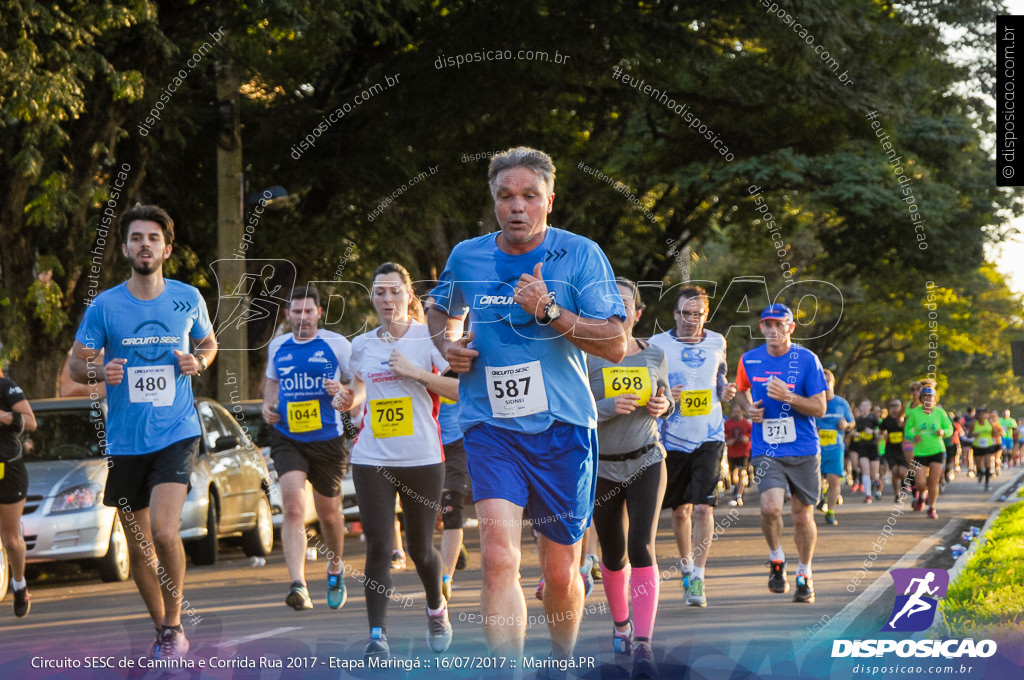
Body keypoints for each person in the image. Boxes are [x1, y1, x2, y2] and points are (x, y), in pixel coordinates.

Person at [427, 146, 627, 660]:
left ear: (549, 201)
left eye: (529, 196)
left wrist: (549, 310)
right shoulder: (466, 255)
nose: (517, 206)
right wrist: (445, 345)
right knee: (497, 557)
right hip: (490, 426)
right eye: (505, 196)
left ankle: (561, 663)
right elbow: (438, 309)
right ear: (493, 201)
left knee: (559, 574)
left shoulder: (580, 254)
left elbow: (615, 343)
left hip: (563, 428)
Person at [69, 204, 217, 659]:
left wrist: (201, 361)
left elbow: (208, 344)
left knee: (165, 531)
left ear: (167, 248)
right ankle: (164, 630)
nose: (145, 245)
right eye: (136, 238)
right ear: (126, 248)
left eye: (153, 238)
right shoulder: (105, 305)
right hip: (126, 440)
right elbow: (76, 364)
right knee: (139, 550)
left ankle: (174, 624)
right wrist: (99, 371)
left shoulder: (188, 297)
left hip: (177, 430)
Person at [334, 262, 459, 660]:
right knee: (379, 546)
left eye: (394, 291)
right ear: (372, 297)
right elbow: (358, 392)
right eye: (379, 292)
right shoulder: (362, 345)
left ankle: (436, 609)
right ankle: (378, 636)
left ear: (409, 296)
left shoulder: (430, 339)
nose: (387, 299)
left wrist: (417, 372)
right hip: (372, 457)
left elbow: (457, 391)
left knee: (421, 549)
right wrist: (345, 398)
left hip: (422, 457)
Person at [588, 278, 671, 678]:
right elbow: (573, 408)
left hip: (646, 459)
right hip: (602, 464)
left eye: (624, 304)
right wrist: (607, 406)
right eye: (609, 303)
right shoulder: (585, 356)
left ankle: (643, 642)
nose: (617, 310)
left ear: (637, 314)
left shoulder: (654, 354)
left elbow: (668, 396)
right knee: (613, 551)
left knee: (642, 546)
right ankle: (621, 625)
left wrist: (663, 403)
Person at [262, 286, 352, 611]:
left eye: (308, 311)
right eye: (296, 312)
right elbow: (272, 382)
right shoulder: (278, 345)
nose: (303, 318)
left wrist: (342, 390)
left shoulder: (337, 344)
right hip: (288, 436)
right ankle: (298, 584)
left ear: (319, 313)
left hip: (328, 438)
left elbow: (357, 384)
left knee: (328, 515)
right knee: (293, 508)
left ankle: (335, 566)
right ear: (288, 315)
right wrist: (267, 406)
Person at [733, 304, 827, 604]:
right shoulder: (749, 359)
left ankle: (804, 572)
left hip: (803, 448)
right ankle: (776, 559)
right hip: (766, 448)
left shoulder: (807, 360)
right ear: (761, 328)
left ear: (790, 327)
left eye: (779, 324)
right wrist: (749, 408)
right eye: (767, 325)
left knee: (802, 516)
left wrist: (789, 397)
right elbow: (740, 389)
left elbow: (820, 407)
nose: (772, 330)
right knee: (770, 508)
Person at [649, 285, 736, 607]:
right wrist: (663, 392)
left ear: (705, 315)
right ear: (675, 314)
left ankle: (699, 576)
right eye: (685, 313)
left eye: (697, 314)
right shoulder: (657, 344)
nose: (690, 320)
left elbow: (721, 376)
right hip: (672, 437)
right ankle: (686, 567)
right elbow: (647, 382)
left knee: (703, 507)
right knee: (681, 510)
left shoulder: (717, 341)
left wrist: (725, 390)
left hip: (710, 434)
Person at [0, 368, 37, 617]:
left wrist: (3, 416)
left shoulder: (6, 387)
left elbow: (30, 422)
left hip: (7, 468)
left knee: (11, 539)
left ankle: (19, 584)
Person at [436, 396, 471, 601]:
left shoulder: (459, 365)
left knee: (451, 510)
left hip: (457, 443)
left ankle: (446, 577)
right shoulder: (419, 366)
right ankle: (456, 545)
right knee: (434, 517)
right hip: (426, 444)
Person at [903, 386, 953, 516]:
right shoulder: (915, 413)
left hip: (937, 450)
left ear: (935, 400)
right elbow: (907, 430)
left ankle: (931, 507)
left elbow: (949, 429)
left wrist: (943, 432)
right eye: (925, 396)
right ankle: (921, 496)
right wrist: (913, 437)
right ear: (921, 399)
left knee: (933, 481)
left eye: (930, 397)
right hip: (920, 452)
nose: (928, 399)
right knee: (920, 483)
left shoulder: (940, 412)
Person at [817, 370, 853, 525]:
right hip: (816, 449)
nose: (825, 384)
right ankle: (821, 497)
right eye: (822, 381)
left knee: (834, 481)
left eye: (827, 381)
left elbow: (852, 422)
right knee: (815, 482)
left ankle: (830, 512)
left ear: (833, 383)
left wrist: (846, 425)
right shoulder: (814, 401)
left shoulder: (841, 403)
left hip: (835, 448)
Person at [851, 400, 882, 502]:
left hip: (873, 447)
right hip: (862, 447)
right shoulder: (858, 419)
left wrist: (872, 431)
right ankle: (868, 495)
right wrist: (854, 433)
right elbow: (852, 430)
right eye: (862, 405)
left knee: (874, 474)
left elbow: (881, 430)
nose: (864, 407)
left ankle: (877, 486)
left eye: (866, 405)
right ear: (860, 407)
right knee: (865, 469)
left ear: (870, 407)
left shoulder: (873, 418)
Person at [880, 399, 909, 502]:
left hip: (903, 450)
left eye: (897, 405)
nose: (895, 407)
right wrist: (883, 435)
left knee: (902, 472)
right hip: (891, 450)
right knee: (895, 472)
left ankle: (904, 484)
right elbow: (880, 432)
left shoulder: (904, 419)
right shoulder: (886, 420)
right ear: (889, 408)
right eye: (892, 405)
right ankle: (897, 495)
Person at [967, 408, 1002, 493]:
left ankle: (987, 482)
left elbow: (995, 433)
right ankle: (980, 472)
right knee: (979, 464)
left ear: (986, 415)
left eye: (984, 414)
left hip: (988, 445)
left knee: (988, 463)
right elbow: (968, 435)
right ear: (977, 415)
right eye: (980, 414)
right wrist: (974, 434)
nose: (982, 416)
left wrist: (995, 432)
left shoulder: (989, 423)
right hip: (977, 446)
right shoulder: (974, 424)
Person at [725, 405, 752, 507]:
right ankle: (736, 488)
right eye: (735, 411)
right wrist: (728, 440)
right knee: (733, 474)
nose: (736, 413)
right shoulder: (727, 424)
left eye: (738, 411)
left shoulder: (747, 424)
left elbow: (753, 434)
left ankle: (738, 495)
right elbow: (723, 436)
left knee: (742, 472)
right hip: (732, 452)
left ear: (742, 412)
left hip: (743, 451)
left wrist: (747, 438)